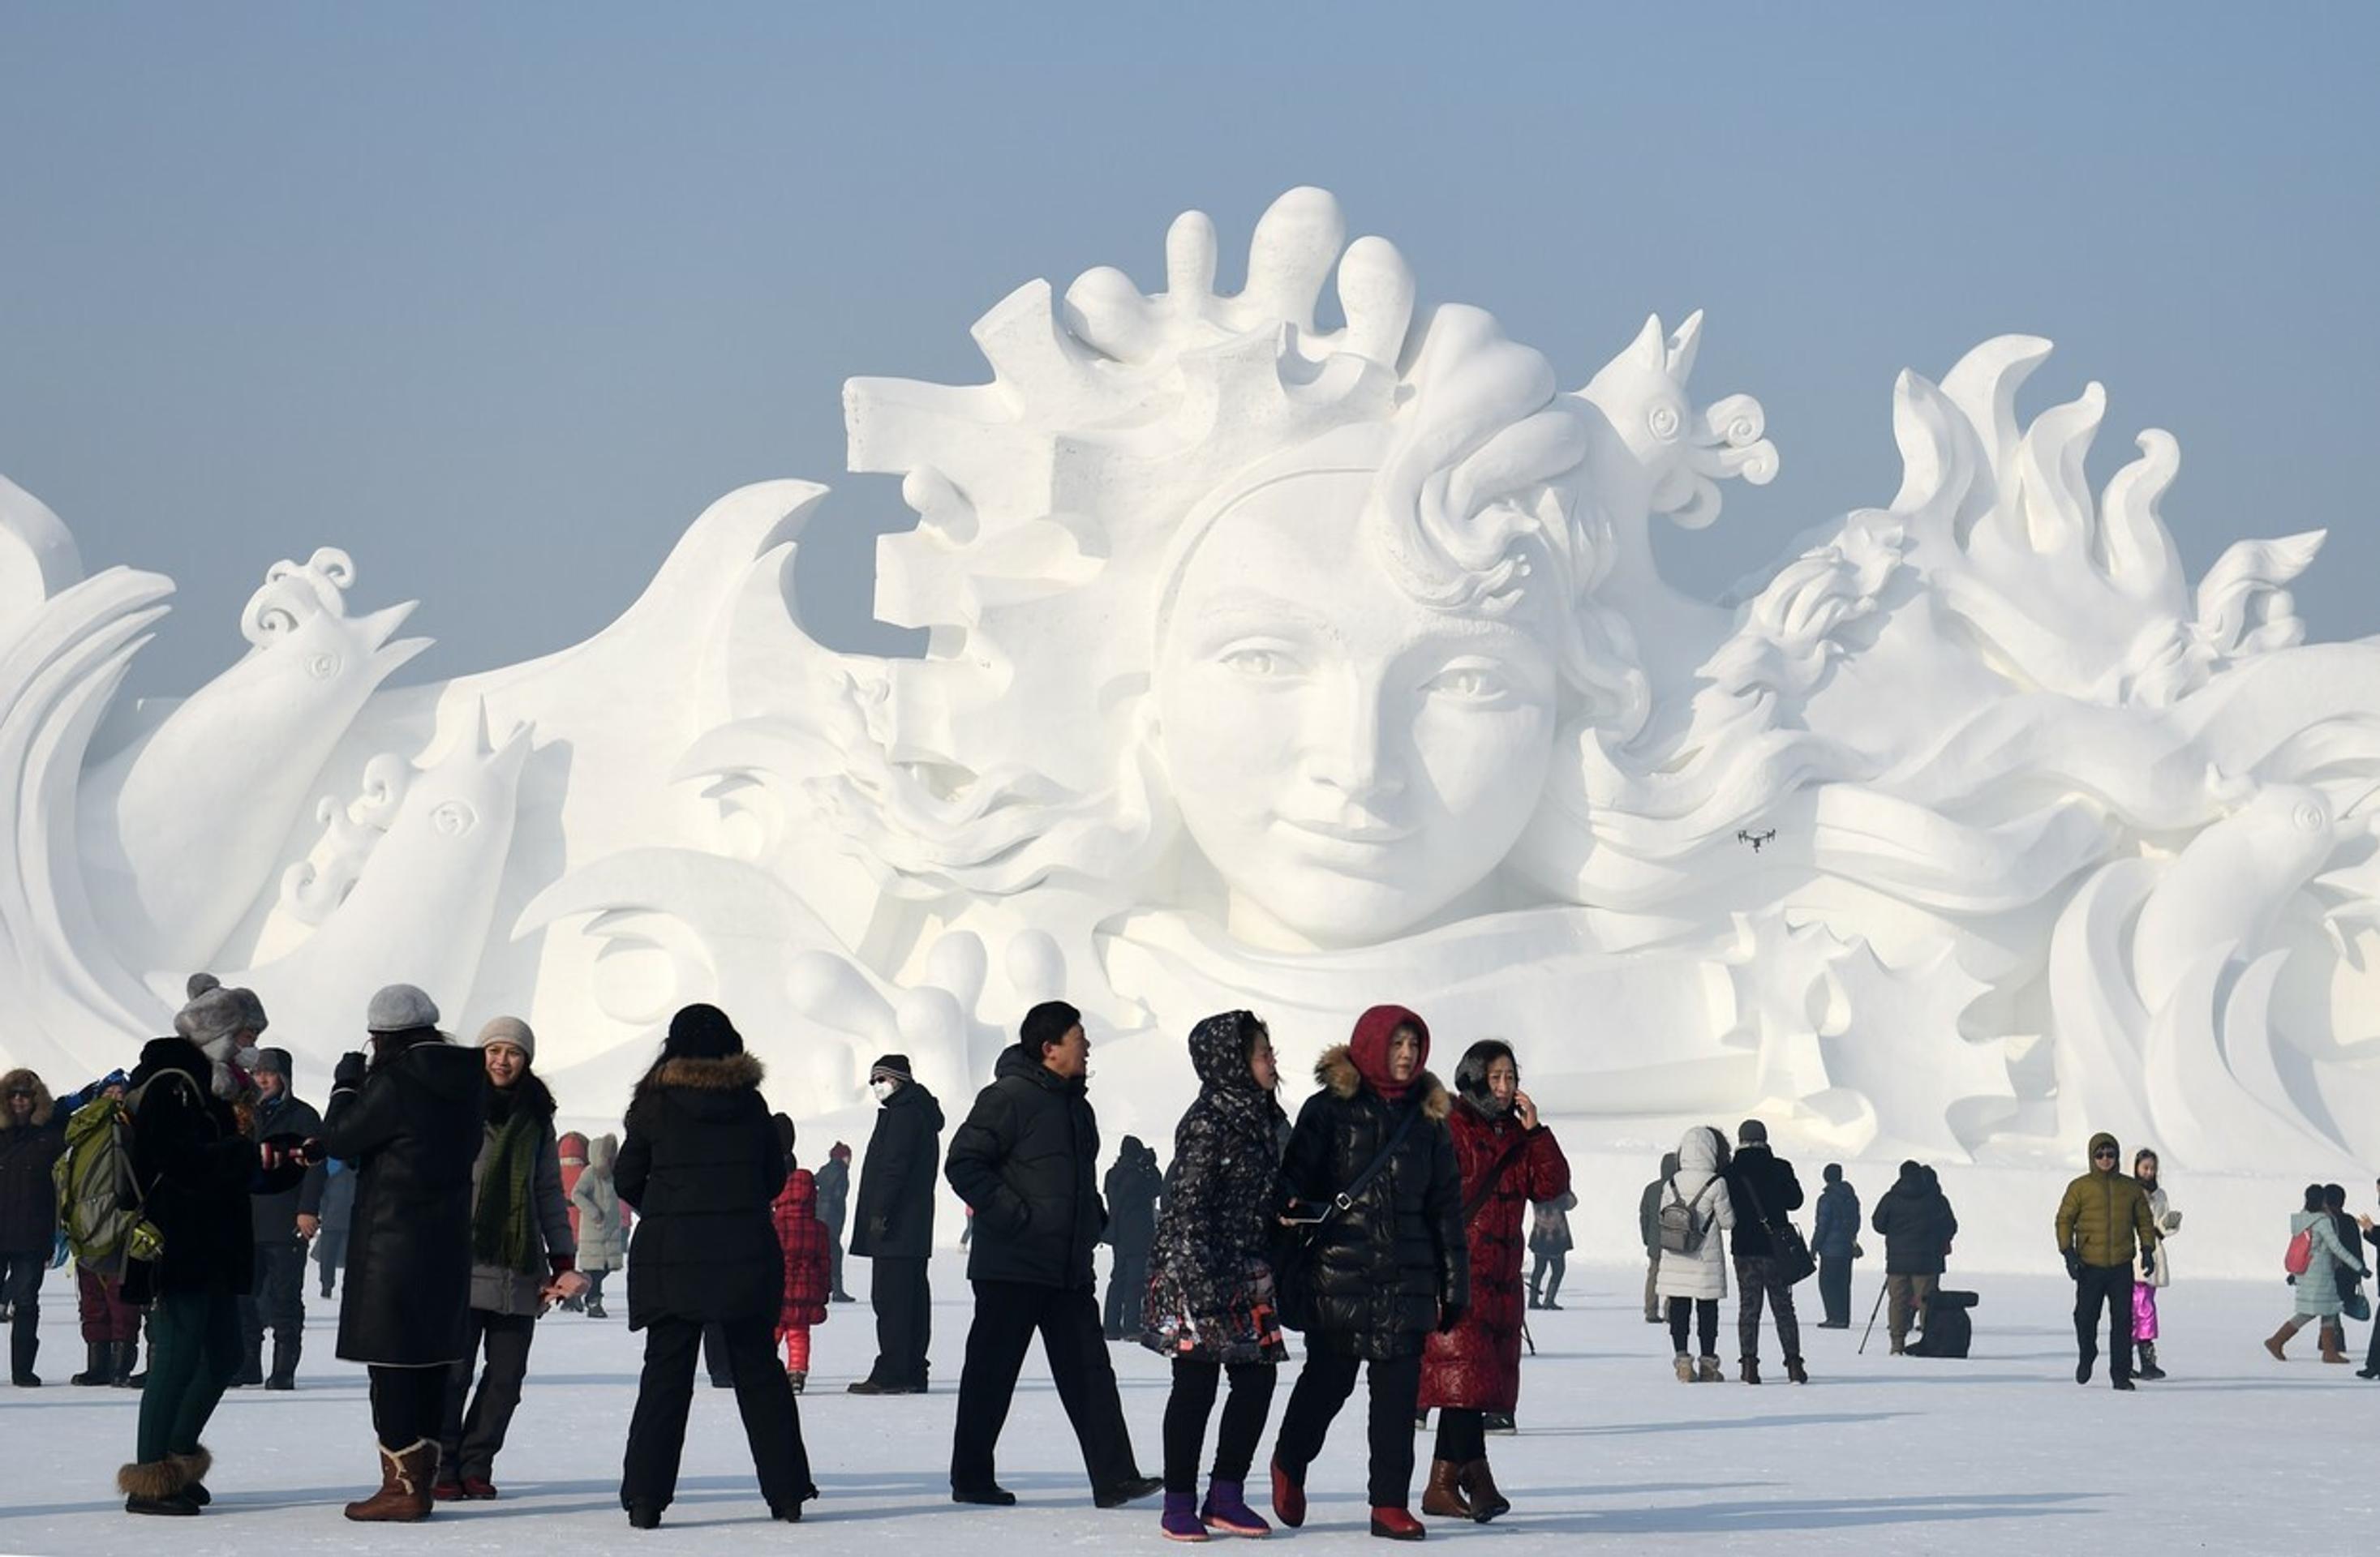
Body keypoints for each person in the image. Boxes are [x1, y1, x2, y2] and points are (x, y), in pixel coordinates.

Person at [944, 1002, 1162, 1509]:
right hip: (1012, 1267)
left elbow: (1075, 1181)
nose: (1087, 1047)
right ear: (1050, 1049)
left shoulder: (1077, 1107)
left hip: (1067, 1269)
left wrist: (1093, 1219)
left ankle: (1115, 1478)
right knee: (990, 1376)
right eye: (1079, 1038)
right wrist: (1017, 1218)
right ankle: (971, 1478)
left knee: (1091, 1373)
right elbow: (963, 1164)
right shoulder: (1007, 1098)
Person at [1268, 1005, 1464, 1543]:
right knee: (1329, 1383)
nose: (1406, 1055)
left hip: (1407, 1278)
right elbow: (1293, 1183)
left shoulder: (1429, 1120)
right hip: (1339, 1274)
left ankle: (1388, 1503)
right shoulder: (1327, 1110)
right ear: (1372, 1044)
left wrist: (1454, 1282)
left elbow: (1446, 1207)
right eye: (1397, 1044)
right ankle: (1290, 1458)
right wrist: (1288, 1203)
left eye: (1414, 1045)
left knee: (1398, 1397)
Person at [616, 1003, 815, 1528]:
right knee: (760, 1374)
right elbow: (773, 1178)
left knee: (665, 1377)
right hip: (744, 1253)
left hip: (672, 1257)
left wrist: (665, 1209)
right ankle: (787, 1493)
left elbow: (625, 1178)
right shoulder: (751, 1106)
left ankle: (645, 1499)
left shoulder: (654, 1105)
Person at [308, 984, 490, 1521]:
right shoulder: (466, 1080)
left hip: (392, 1240)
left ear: (382, 1037)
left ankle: (401, 1487)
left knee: (391, 1367)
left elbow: (341, 1137)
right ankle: (423, 1480)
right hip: (447, 1239)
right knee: (432, 1362)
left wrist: (346, 1085)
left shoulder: (395, 1080)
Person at [115, 1021, 307, 1515]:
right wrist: (247, 1153)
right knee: (176, 1354)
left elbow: (230, 1171)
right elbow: (172, 1160)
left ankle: (176, 1461)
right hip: (178, 1244)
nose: (252, 1046)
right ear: (219, 1034)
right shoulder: (172, 1083)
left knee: (224, 1354)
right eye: (245, 1034)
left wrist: (283, 1161)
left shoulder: (217, 1090)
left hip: (217, 1244)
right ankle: (149, 1478)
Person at [1141, 1011, 1290, 1542]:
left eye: (1270, 1050)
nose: (1272, 1060)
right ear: (1232, 1062)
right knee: (1196, 1382)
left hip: (1245, 1265)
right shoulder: (1209, 1120)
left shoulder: (1265, 1116)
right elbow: (1186, 1206)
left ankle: (1226, 1494)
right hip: (1197, 1267)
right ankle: (1178, 1499)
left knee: (1257, 1378)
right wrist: (1202, 1289)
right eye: (1261, 1052)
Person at [1419, 1039, 1568, 1525]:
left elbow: (1550, 1188)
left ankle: (1443, 1483)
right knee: (1466, 1380)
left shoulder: (1519, 1134)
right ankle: (1475, 1478)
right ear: (1475, 1078)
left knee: (1474, 1383)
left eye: (1511, 1079)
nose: (1504, 1088)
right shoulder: (1453, 1125)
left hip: (1501, 1279)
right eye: (1496, 1078)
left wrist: (1537, 1133)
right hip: (1458, 1273)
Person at [435, 1019, 582, 1500]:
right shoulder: (456, 1107)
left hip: (520, 1268)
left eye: (513, 1052)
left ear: (526, 1060)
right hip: (459, 1259)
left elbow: (547, 1193)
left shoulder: (537, 1118)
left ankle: (478, 1463)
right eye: (493, 1049)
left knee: (506, 1379)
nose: (502, 1060)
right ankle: (444, 1464)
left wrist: (562, 1259)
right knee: (453, 1373)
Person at [848, 1053, 944, 1395]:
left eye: (882, 1079)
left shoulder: (903, 1116)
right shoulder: (918, 1113)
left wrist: (880, 1213)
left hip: (896, 1226)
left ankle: (892, 1371)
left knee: (891, 1300)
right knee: (912, 1300)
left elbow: (894, 1168)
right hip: (913, 1227)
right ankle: (914, 1370)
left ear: (899, 1080)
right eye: (873, 1081)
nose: (877, 1086)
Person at [234, 1048, 325, 1390]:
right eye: (257, 1073)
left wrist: (308, 1209)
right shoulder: (244, 1116)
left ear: (284, 1077)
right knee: (243, 1297)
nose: (262, 1079)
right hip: (246, 1221)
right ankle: (247, 1365)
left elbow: (315, 1170)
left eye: (269, 1073)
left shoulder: (303, 1117)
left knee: (285, 1299)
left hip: (286, 1220)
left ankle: (283, 1369)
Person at [2054, 1130, 2159, 1389]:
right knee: (2085, 1317)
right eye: (2100, 1154)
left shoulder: (2130, 1188)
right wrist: (2068, 1253)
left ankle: (2120, 1374)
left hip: (2121, 1265)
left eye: (2110, 1154)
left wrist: (2147, 1249)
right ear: (2092, 1156)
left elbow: (2144, 1221)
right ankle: (2087, 1354)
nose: (2105, 1159)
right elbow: (2064, 1219)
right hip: (2089, 1265)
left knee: (2123, 1321)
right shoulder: (2080, 1187)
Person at [1725, 1118, 1806, 1385]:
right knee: (1784, 1307)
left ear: (1740, 1139)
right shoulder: (1780, 1167)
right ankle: (1794, 1364)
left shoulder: (1730, 1171)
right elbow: (1795, 1201)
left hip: (1745, 1247)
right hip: (1776, 1248)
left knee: (1749, 1307)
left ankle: (1749, 1366)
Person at [1, 1067, 66, 1388]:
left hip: (33, 1231)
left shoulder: (51, 1136)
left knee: (26, 1303)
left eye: (25, 1095)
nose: (18, 1101)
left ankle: (23, 1370)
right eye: (12, 1095)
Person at [1655, 1126, 1736, 1383]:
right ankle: (1709, 1363)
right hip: (1705, 1259)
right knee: (1707, 1310)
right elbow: (1727, 1222)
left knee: (1679, 1309)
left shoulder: (1672, 1182)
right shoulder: (1717, 1182)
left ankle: (1682, 1361)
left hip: (1677, 1254)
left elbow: (1662, 1216)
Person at [2268, 1182, 2365, 1362]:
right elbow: (2340, 1248)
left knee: (2328, 1309)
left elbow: (2303, 1249)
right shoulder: (2325, 1221)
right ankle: (2278, 1340)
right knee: (2310, 1312)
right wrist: (2359, 1268)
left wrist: (2294, 1273)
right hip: (2324, 1274)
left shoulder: (2304, 1220)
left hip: (2311, 1272)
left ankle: (2329, 1350)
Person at [769, 1113, 831, 1392]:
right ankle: (797, 1372)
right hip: (805, 1291)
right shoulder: (818, 1228)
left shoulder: (776, 1225)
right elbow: (825, 1263)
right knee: (799, 1334)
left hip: (779, 1290)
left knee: (774, 1330)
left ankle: (765, 1367)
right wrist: (825, 1288)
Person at [1871, 1160, 1956, 1355]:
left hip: (1897, 1260)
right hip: (1927, 1261)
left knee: (1898, 1301)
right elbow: (1950, 1226)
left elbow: (1878, 1224)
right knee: (1927, 1301)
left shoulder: (1891, 1198)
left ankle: (1897, 1344)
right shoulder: (1935, 1199)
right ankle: (1930, 1340)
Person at [1102, 1135, 1164, 1340]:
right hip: (1138, 1235)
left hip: (1119, 1234)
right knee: (1135, 1282)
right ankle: (1131, 1326)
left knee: (1118, 1279)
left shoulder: (1113, 1174)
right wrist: (1151, 1166)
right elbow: (1157, 1188)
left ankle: (1110, 1326)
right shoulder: (1138, 1176)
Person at [570, 1132, 627, 1319]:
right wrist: (594, 1213)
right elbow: (576, 1194)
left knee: (606, 1268)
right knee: (594, 1270)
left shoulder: (612, 1175)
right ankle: (593, 1301)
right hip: (594, 1231)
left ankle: (578, 1293)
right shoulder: (590, 1173)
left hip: (610, 1231)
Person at [2132, 1149, 2177, 1379]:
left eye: (2152, 1168)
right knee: (2142, 1308)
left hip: (2155, 1253)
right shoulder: (2130, 1191)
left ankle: (2135, 1358)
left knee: (2142, 1307)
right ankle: (2142, 1359)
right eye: (2145, 1168)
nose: (2149, 1172)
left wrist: (2168, 1225)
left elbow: (2162, 1223)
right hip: (2136, 1256)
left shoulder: (2160, 1194)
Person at [1811, 1164, 1860, 1329]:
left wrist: (1814, 1246)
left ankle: (1834, 1317)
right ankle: (1844, 1317)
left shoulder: (1826, 1199)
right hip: (1847, 1247)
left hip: (1830, 1250)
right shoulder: (1851, 1197)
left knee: (1827, 1283)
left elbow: (1822, 1226)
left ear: (1825, 1177)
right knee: (1844, 1283)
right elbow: (1856, 1222)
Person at [1636, 1152, 1678, 1324]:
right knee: (1674, 1277)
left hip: (1655, 1241)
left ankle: (1650, 1310)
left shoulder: (1651, 1189)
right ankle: (1670, 1311)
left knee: (1653, 1275)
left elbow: (1643, 1216)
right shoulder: (1679, 1189)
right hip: (1676, 1241)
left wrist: (1646, 1238)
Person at [818, 1140, 855, 1303]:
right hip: (832, 1218)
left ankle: (823, 1289)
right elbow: (839, 1195)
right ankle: (837, 1291)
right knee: (835, 1253)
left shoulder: (825, 1170)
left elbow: (814, 1182)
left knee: (824, 1253)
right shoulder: (841, 1172)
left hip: (820, 1215)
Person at [1527, 1190, 1574, 1311]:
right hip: (1556, 1237)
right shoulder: (1558, 1192)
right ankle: (1549, 1300)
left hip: (1540, 1235)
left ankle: (1533, 1300)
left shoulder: (1537, 1190)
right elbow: (1571, 1203)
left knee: (1538, 1270)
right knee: (1558, 1270)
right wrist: (1566, 1189)